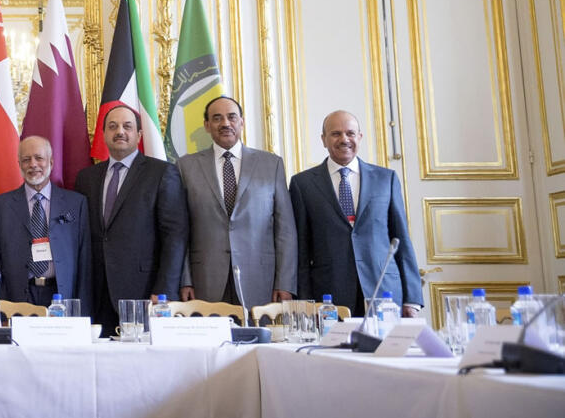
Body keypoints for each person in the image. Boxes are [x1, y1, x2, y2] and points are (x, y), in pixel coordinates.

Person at [289, 110, 423, 317]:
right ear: (323, 140)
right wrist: (304, 303)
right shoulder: (302, 184)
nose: (344, 139)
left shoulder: (385, 179)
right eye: (335, 134)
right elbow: (301, 251)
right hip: (329, 295)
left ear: (359, 137)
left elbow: (401, 240)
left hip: (384, 292)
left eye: (350, 133)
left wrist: (412, 298)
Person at [75, 103, 188, 334]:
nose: (120, 132)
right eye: (113, 126)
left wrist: (165, 289)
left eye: (127, 126)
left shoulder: (162, 173)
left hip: (144, 292)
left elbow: (174, 236)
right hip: (96, 291)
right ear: (104, 134)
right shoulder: (86, 178)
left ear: (139, 134)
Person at [178, 97, 296, 308]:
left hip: (261, 280)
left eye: (232, 117)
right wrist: (185, 278)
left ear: (241, 122)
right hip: (204, 279)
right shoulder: (186, 166)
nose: (225, 123)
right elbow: (180, 230)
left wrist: (285, 282)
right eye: (217, 118)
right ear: (206, 125)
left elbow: (285, 229)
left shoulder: (271, 164)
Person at [0, 136, 91, 307]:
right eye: (26, 160)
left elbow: (85, 263)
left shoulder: (76, 204)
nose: (33, 164)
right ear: (19, 164)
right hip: (18, 298)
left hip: (61, 296)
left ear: (51, 162)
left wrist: (82, 309)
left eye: (39, 158)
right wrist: (0, 309)